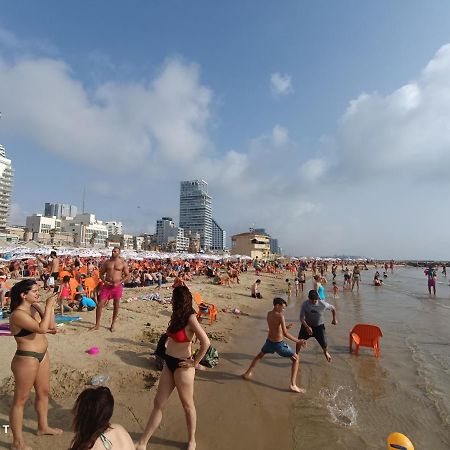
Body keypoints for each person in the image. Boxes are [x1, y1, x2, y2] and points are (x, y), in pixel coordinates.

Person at [135, 286, 210, 450]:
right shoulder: (177, 316)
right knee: (158, 403)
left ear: (179, 300)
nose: (171, 301)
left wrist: (194, 362)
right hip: (169, 363)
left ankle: (192, 441)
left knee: (188, 406)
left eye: (173, 299)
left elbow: (206, 342)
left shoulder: (191, 318)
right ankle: (143, 442)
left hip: (183, 365)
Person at [9, 279, 62, 450]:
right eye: (35, 291)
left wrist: (51, 306)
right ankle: (18, 442)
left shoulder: (36, 307)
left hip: (42, 355)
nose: (38, 293)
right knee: (20, 400)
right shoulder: (17, 314)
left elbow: (51, 326)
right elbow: (40, 329)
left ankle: (43, 427)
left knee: (44, 392)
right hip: (27, 358)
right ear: (23, 295)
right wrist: (47, 307)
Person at [242, 297, 307, 393]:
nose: (283, 310)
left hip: (269, 342)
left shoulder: (269, 314)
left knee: (259, 356)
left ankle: (247, 373)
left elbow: (274, 328)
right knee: (296, 359)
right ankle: (293, 385)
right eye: (283, 308)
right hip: (279, 345)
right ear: (277, 306)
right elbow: (285, 333)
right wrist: (298, 341)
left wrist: (285, 327)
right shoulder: (280, 316)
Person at [70, 386, 134, 450]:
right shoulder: (119, 429)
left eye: (76, 412)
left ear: (85, 420)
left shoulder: (88, 447)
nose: (72, 413)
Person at [90, 247, 130, 332]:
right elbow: (101, 274)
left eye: (115, 251)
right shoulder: (107, 262)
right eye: (113, 251)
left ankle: (113, 324)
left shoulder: (123, 263)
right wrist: (104, 281)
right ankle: (97, 325)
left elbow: (127, 275)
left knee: (116, 305)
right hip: (107, 286)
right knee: (100, 304)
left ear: (119, 253)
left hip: (117, 286)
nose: (113, 252)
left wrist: (119, 283)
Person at [296, 290, 337, 362]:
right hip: (307, 326)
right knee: (299, 341)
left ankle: (326, 352)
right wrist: (307, 327)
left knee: (324, 344)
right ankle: (297, 354)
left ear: (318, 298)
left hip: (319, 327)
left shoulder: (323, 304)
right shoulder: (305, 304)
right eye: (311, 300)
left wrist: (334, 319)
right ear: (308, 298)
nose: (313, 301)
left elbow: (333, 308)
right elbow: (301, 318)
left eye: (315, 300)